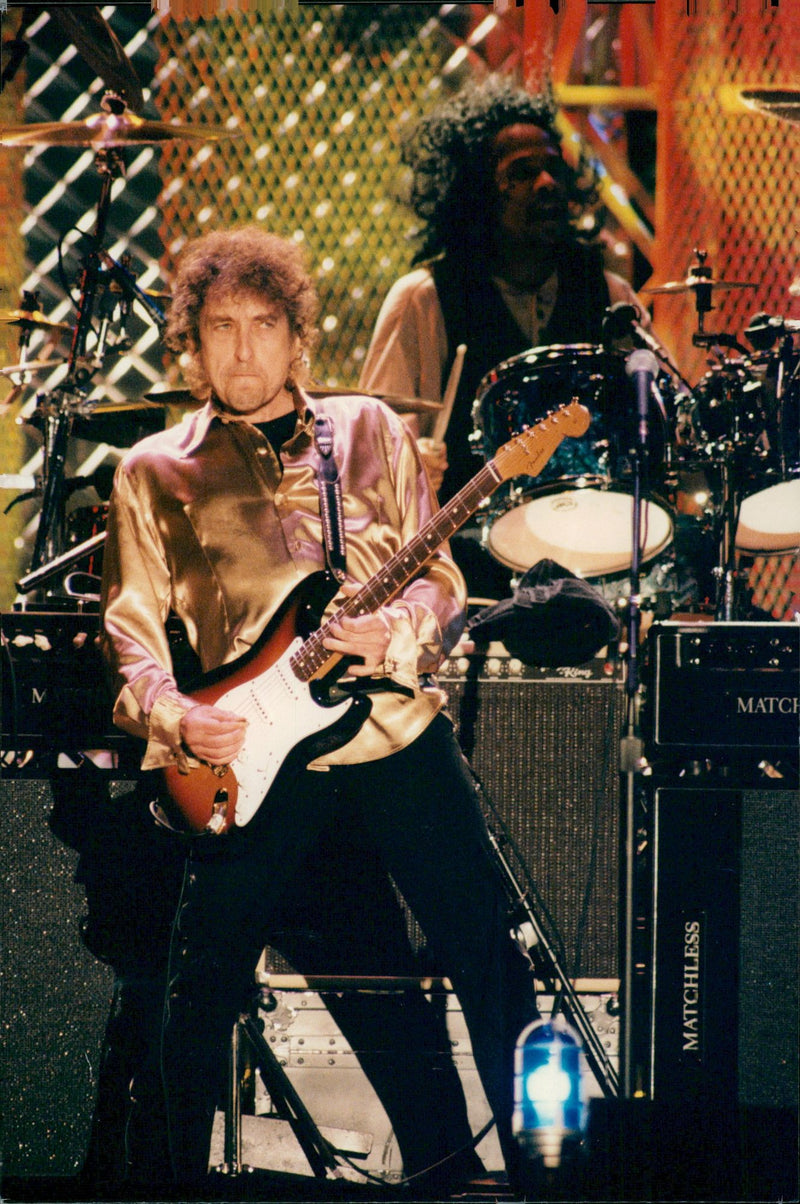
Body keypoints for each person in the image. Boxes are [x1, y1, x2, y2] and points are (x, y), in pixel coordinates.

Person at [99, 225, 539, 1196]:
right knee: (199, 987)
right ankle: (164, 1184)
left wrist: (399, 636)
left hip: (392, 735)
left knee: (487, 960)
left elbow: (442, 582)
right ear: (192, 341)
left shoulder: (371, 431)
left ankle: (552, 1178)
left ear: (300, 338)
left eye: (264, 325)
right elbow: (128, 628)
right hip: (251, 757)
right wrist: (175, 714)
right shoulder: (153, 471)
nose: (243, 349)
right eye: (221, 327)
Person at [359, 75, 653, 597]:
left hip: (595, 566)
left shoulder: (609, 295)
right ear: (476, 196)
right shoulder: (424, 300)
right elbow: (370, 466)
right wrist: (413, 471)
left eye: (552, 168)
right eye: (521, 174)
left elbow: (658, 427)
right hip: (462, 578)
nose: (547, 184)